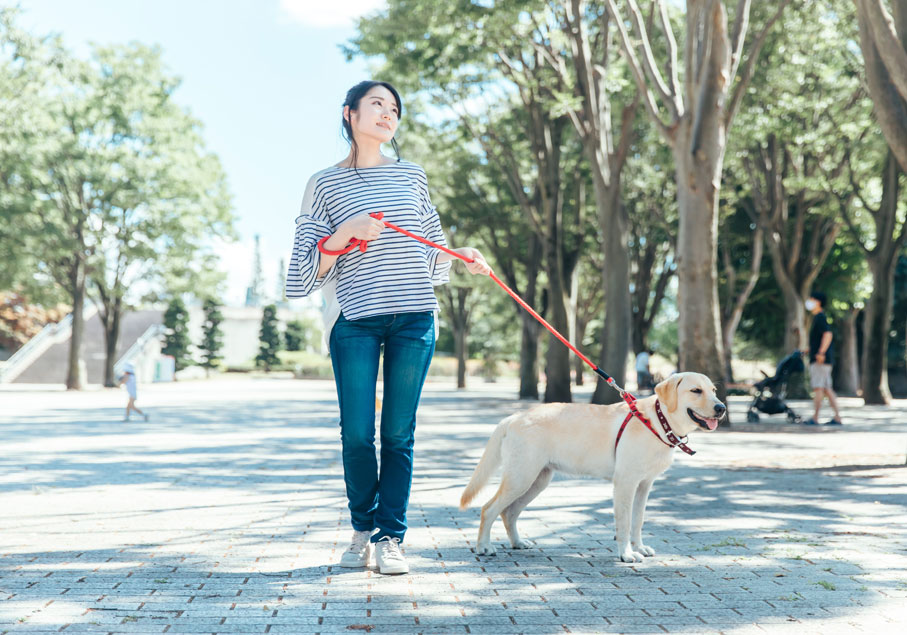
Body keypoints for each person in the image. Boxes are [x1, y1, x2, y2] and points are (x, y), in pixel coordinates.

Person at [286, 80, 491, 575]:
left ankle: (390, 537)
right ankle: (362, 527)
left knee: (399, 433)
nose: (387, 113)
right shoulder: (323, 183)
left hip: (414, 319)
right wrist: (341, 235)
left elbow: (432, 246)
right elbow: (299, 275)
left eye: (394, 107)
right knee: (357, 434)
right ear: (349, 114)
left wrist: (460, 256)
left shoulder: (412, 176)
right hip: (354, 321)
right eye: (376, 103)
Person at [804, 292, 842, 425]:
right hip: (823, 358)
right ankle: (837, 417)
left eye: (811, 299)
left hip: (820, 360)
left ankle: (815, 417)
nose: (809, 301)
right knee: (827, 389)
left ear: (818, 301)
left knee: (818, 388)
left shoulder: (820, 317)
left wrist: (820, 352)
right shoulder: (818, 317)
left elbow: (827, 335)